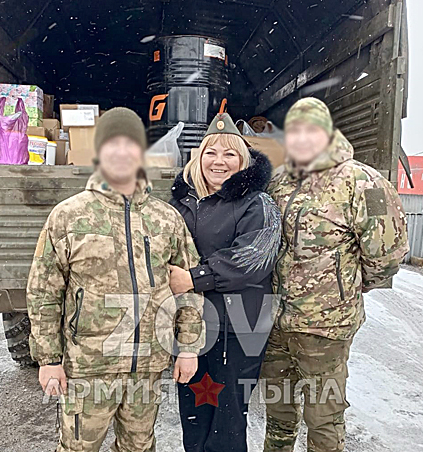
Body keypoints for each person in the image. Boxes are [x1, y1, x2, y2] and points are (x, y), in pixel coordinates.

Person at [26, 107, 205, 452]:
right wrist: (48, 360)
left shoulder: (166, 219)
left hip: (147, 366)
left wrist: (188, 348)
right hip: (89, 367)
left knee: (139, 447)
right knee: (79, 447)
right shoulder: (68, 216)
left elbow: (187, 290)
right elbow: (43, 292)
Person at [261, 98, 409, 452]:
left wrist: (346, 288)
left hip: (325, 329)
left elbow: (387, 254)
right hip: (275, 324)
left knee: (323, 419)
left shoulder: (362, 182)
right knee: (278, 413)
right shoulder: (278, 182)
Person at [169, 112, 282, 452]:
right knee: (194, 411)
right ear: (199, 157)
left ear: (243, 160)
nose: (219, 161)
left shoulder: (257, 203)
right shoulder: (182, 202)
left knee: (227, 418)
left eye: (229, 153)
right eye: (211, 153)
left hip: (238, 328)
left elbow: (252, 259)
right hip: (193, 326)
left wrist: (194, 278)